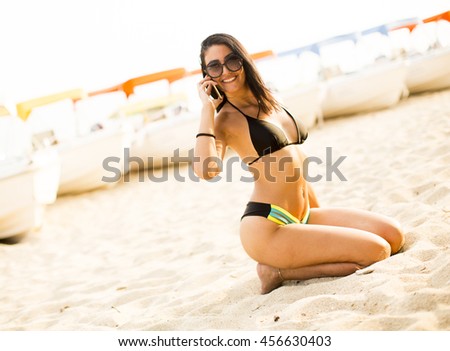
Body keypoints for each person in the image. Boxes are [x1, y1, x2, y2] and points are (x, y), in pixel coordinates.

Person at [193, 33, 405, 294]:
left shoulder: (271, 98)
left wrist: (317, 222)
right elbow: (206, 170)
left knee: (393, 235)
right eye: (214, 66)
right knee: (378, 251)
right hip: (268, 225)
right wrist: (206, 109)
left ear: (243, 61)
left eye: (231, 60)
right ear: (207, 76)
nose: (225, 71)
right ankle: (276, 271)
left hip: (303, 215)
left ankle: (289, 258)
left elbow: (297, 165)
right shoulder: (224, 119)